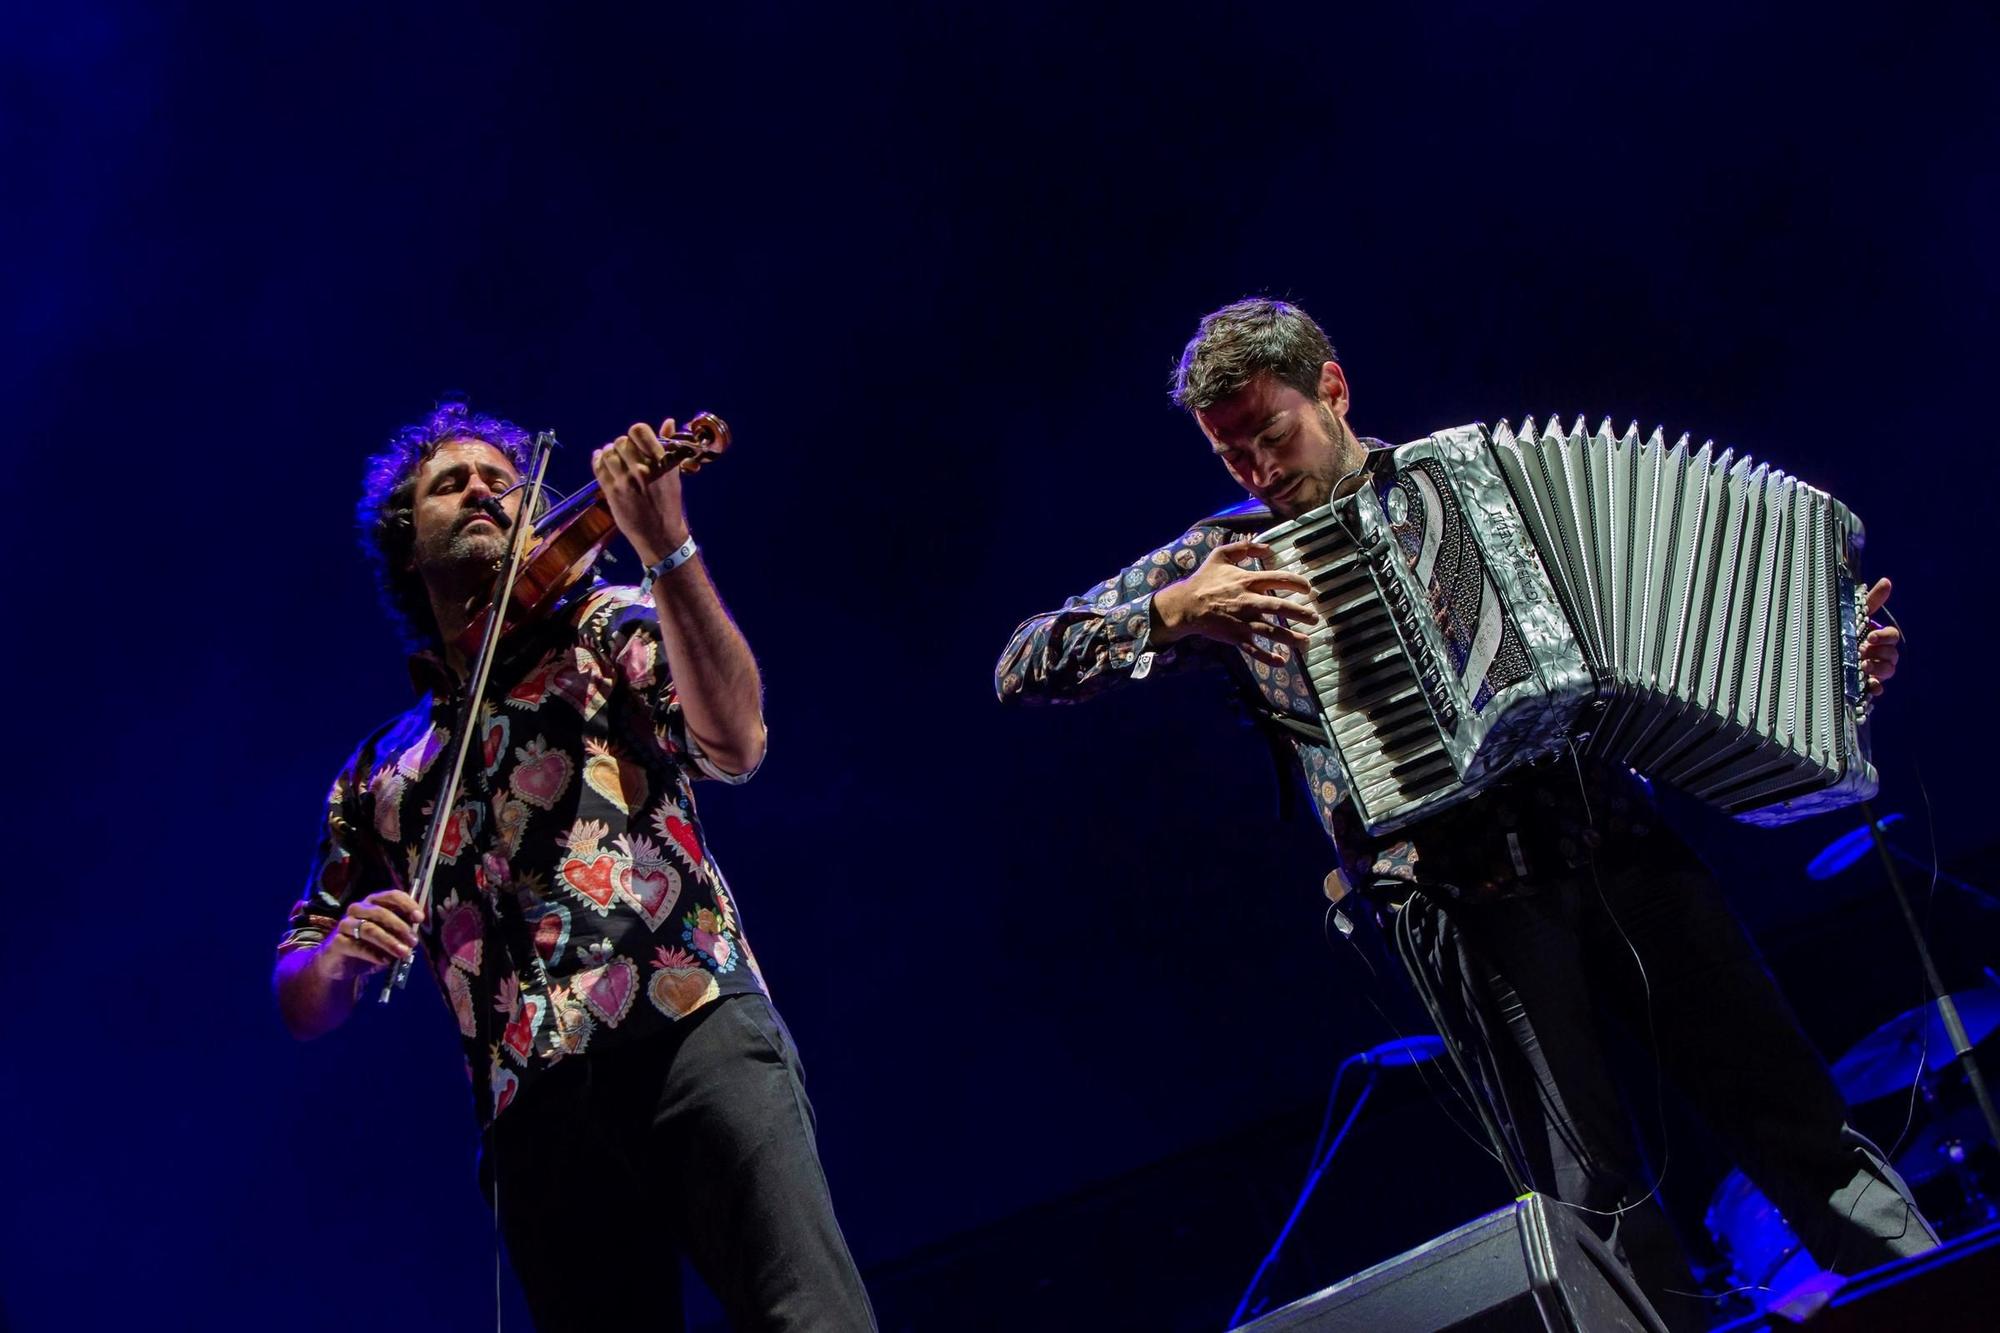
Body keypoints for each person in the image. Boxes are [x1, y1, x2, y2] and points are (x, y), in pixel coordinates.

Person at [993, 297, 1930, 1327]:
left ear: (1331, 389)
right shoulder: (1230, 556)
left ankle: (1948, 1304)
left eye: (1272, 435)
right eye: (1231, 455)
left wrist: (1828, 673)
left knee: (1799, 1124)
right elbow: (1023, 659)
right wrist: (1171, 610)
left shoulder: (1471, 476)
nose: (1258, 471)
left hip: (1617, 845)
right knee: (1596, 1204)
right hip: (1464, 908)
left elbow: (1675, 614)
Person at [275, 402, 876, 1333]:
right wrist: (340, 954)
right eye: (452, 483)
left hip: (689, 1022)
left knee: (806, 1316)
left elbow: (736, 742)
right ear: (407, 541)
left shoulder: (606, 623)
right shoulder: (377, 773)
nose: (484, 488)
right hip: (530, 1103)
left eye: (502, 481)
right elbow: (301, 991)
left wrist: (667, 546)